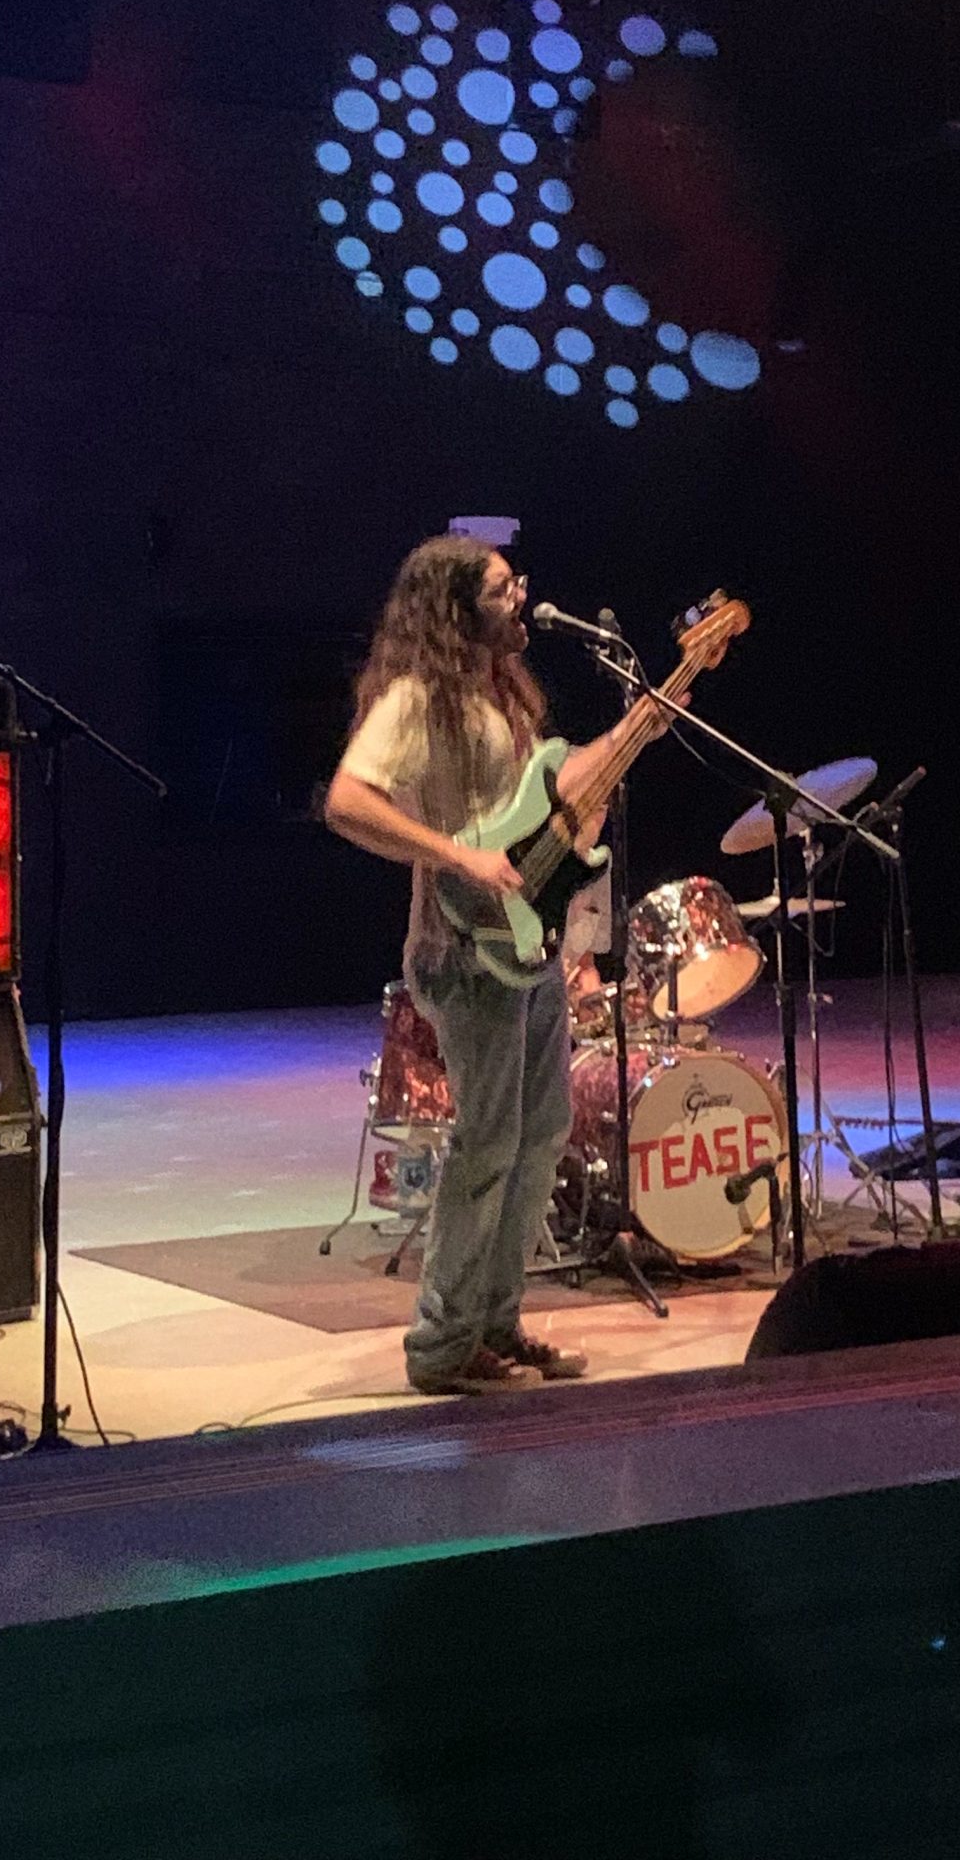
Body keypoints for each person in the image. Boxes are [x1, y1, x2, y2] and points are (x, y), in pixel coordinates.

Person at [325, 535, 660, 1395]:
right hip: (461, 946)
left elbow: (542, 796)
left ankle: (496, 1322)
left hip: (527, 939)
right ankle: (441, 1346)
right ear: (457, 608)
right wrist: (454, 856)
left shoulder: (502, 693)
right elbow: (348, 799)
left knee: (541, 1135)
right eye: (506, 588)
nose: (524, 598)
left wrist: (633, 730)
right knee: (486, 1145)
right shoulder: (415, 697)